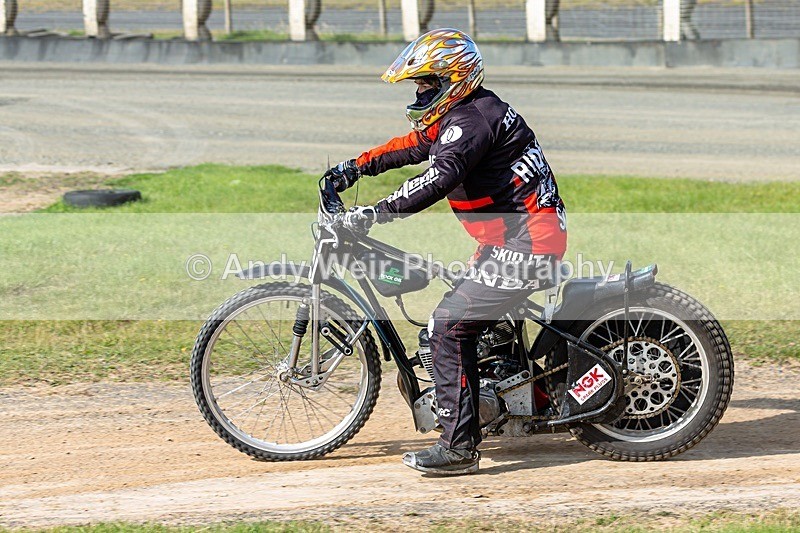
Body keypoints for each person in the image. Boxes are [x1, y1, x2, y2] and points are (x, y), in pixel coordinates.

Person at [324, 28, 567, 475]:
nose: (419, 92)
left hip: (525, 243)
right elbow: (413, 146)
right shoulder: (466, 112)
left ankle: (458, 449)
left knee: (446, 326)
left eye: (425, 83)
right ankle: (511, 400)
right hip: (512, 239)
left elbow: (437, 177)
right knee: (465, 316)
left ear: (452, 79)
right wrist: (353, 167)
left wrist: (373, 213)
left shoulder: (470, 123)